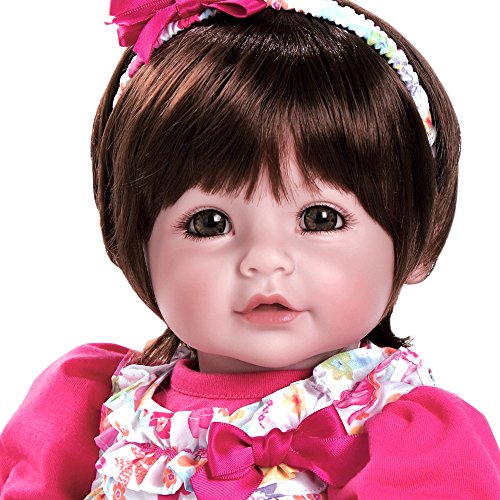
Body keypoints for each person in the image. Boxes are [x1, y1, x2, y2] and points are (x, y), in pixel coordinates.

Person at [1, 0, 499, 498]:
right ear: (131, 241)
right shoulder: (87, 410)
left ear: (418, 236)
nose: (265, 260)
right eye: (210, 223)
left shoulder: (410, 439)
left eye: (319, 218)